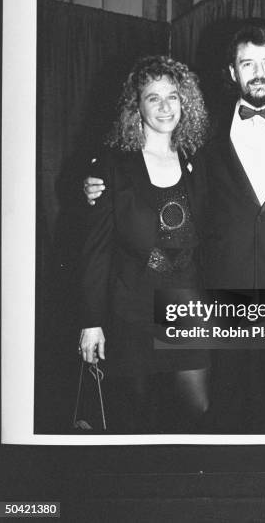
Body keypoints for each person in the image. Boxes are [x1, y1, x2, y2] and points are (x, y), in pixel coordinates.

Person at [84, 19, 265, 432]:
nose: (258, 72)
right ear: (232, 72)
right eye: (247, 63)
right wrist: (93, 182)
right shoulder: (203, 132)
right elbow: (150, 167)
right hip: (216, 282)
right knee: (220, 400)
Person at [78, 55, 210, 433]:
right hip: (131, 308)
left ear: (186, 103)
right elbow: (96, 249)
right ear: (136, 106)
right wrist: (91, 322)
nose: (165, 107)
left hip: (186, 307)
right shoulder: (113, 164)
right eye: (153, 97)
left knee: (195, 408)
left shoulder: (197, 160)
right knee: (133, 418)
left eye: (173, 96)